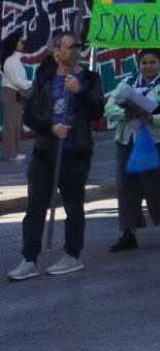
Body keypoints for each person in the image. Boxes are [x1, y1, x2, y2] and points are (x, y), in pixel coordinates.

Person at [8, 32, 103, 281]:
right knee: (36, 205)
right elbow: (29, 114)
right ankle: (29, 258)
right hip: (45, 151)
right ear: (56, 51)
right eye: (70, 47)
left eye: (77, 48)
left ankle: (73, 254)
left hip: (75, 152)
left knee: (73, 205)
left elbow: (97, 111)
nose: (74, 52)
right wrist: (50, 127)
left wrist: (79, 90)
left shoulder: (90, 78)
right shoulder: (45, 77)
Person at [105, 49, 160, 253]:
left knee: (154, 183)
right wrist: (125, 113)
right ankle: (128, 232)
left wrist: (153, 118)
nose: (148, 66)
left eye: (153, 62)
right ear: (139, 64)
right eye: (144, 62)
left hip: (156, 140)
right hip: (127, 139)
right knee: (126, 185)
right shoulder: (128, 84)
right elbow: (109, 106)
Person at [2, 32, 29, 162]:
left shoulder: (15, 59)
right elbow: (16, 80)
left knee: (16, 124)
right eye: (20, 41)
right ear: (14, 43)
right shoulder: (10, 60)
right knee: (11, 125)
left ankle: (14, 152)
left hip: (15, 93)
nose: (22, 44)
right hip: (11, 93)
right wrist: (30, 84)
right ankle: (11, 153)